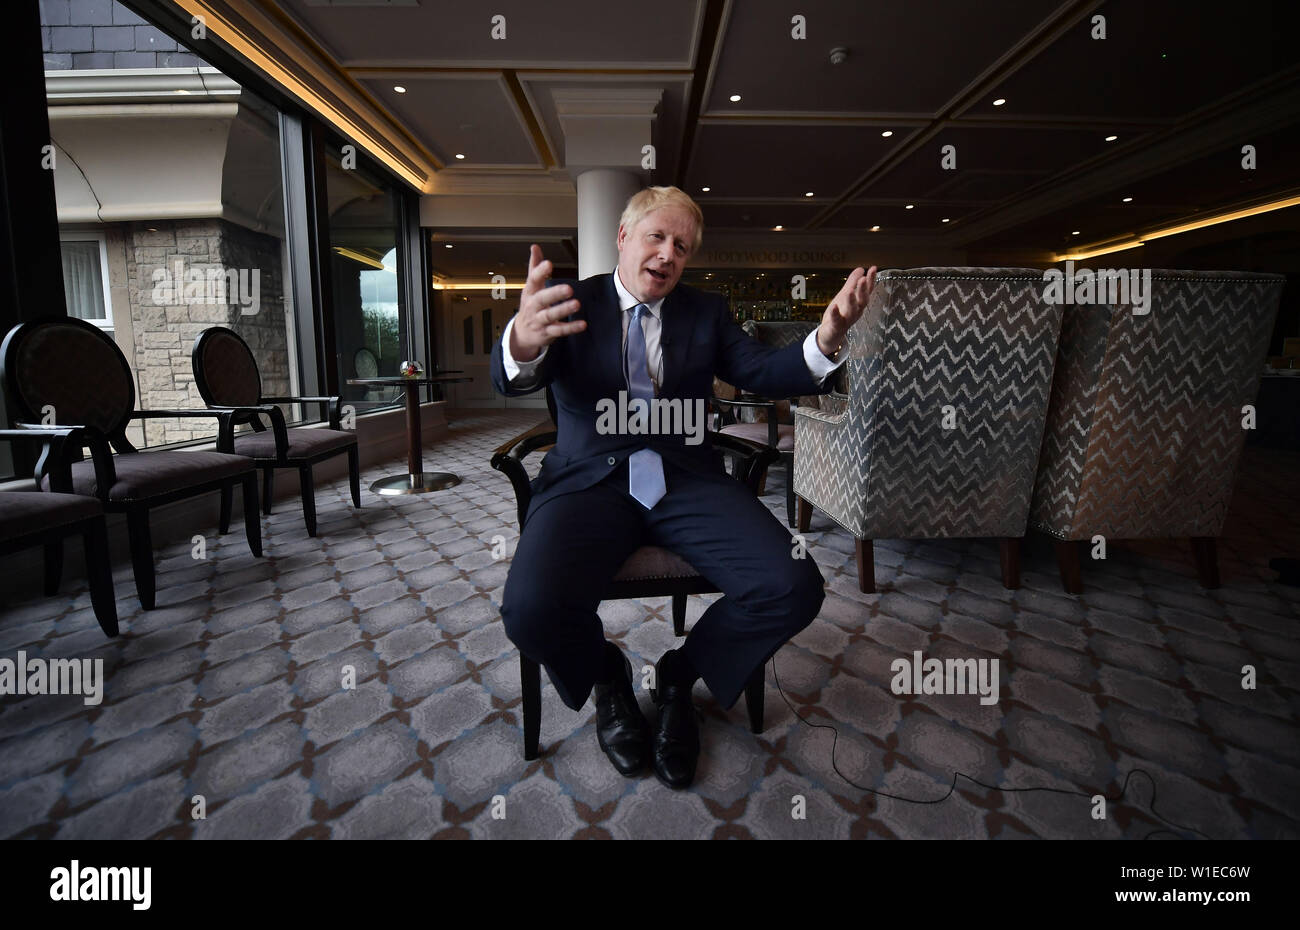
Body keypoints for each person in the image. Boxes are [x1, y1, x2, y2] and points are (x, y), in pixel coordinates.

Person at [491, 185, 875, 788]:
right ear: (623, 237)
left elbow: (759, 370)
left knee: (793, 584)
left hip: (687, 479)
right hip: (587, 480)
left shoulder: (706, 310)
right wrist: (522, 341)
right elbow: (513, 376)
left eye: (682, 246)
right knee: (530, 608)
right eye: (657, 237)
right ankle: (607, 675)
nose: (669, 255)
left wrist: (825, 339)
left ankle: (679, 675)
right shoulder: (572, 302)